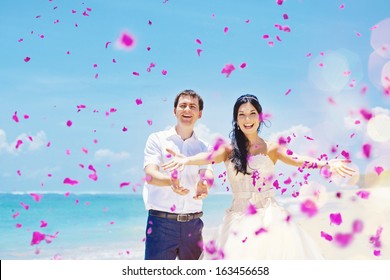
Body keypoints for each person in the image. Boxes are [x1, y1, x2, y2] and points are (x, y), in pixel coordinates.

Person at [162, 94, 355, 260]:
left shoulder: (272, 147)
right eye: (242, 115)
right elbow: (207, 157)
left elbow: (297, 160)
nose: (247, 119)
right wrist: (186, 160)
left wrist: (327, 163)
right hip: (237, 217)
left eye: (252, 113)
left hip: (270, 216)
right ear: (236, 119)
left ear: (260, 117)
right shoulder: (228, 150)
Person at [143, 89, 214, 260]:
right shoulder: (157, 139)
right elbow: (150, 174)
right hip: (161, 224)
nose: (187, 109)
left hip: (193, 225)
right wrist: (170, 181)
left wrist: (205, 184)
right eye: (182, 105)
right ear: (175, 111)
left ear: (200, 113)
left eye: (192, 106)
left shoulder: (205, 147)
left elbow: (208, 171)